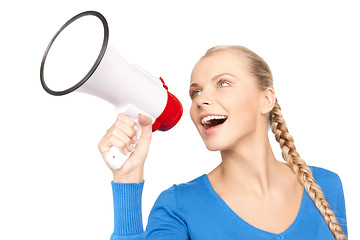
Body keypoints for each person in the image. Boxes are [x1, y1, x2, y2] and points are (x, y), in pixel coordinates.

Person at [98, 45, 348, 239]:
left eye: (223, 83)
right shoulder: (177, 207)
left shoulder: (326, 186)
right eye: (195, 92)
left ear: (266, 100)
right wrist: (127, 181)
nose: (200, 99)